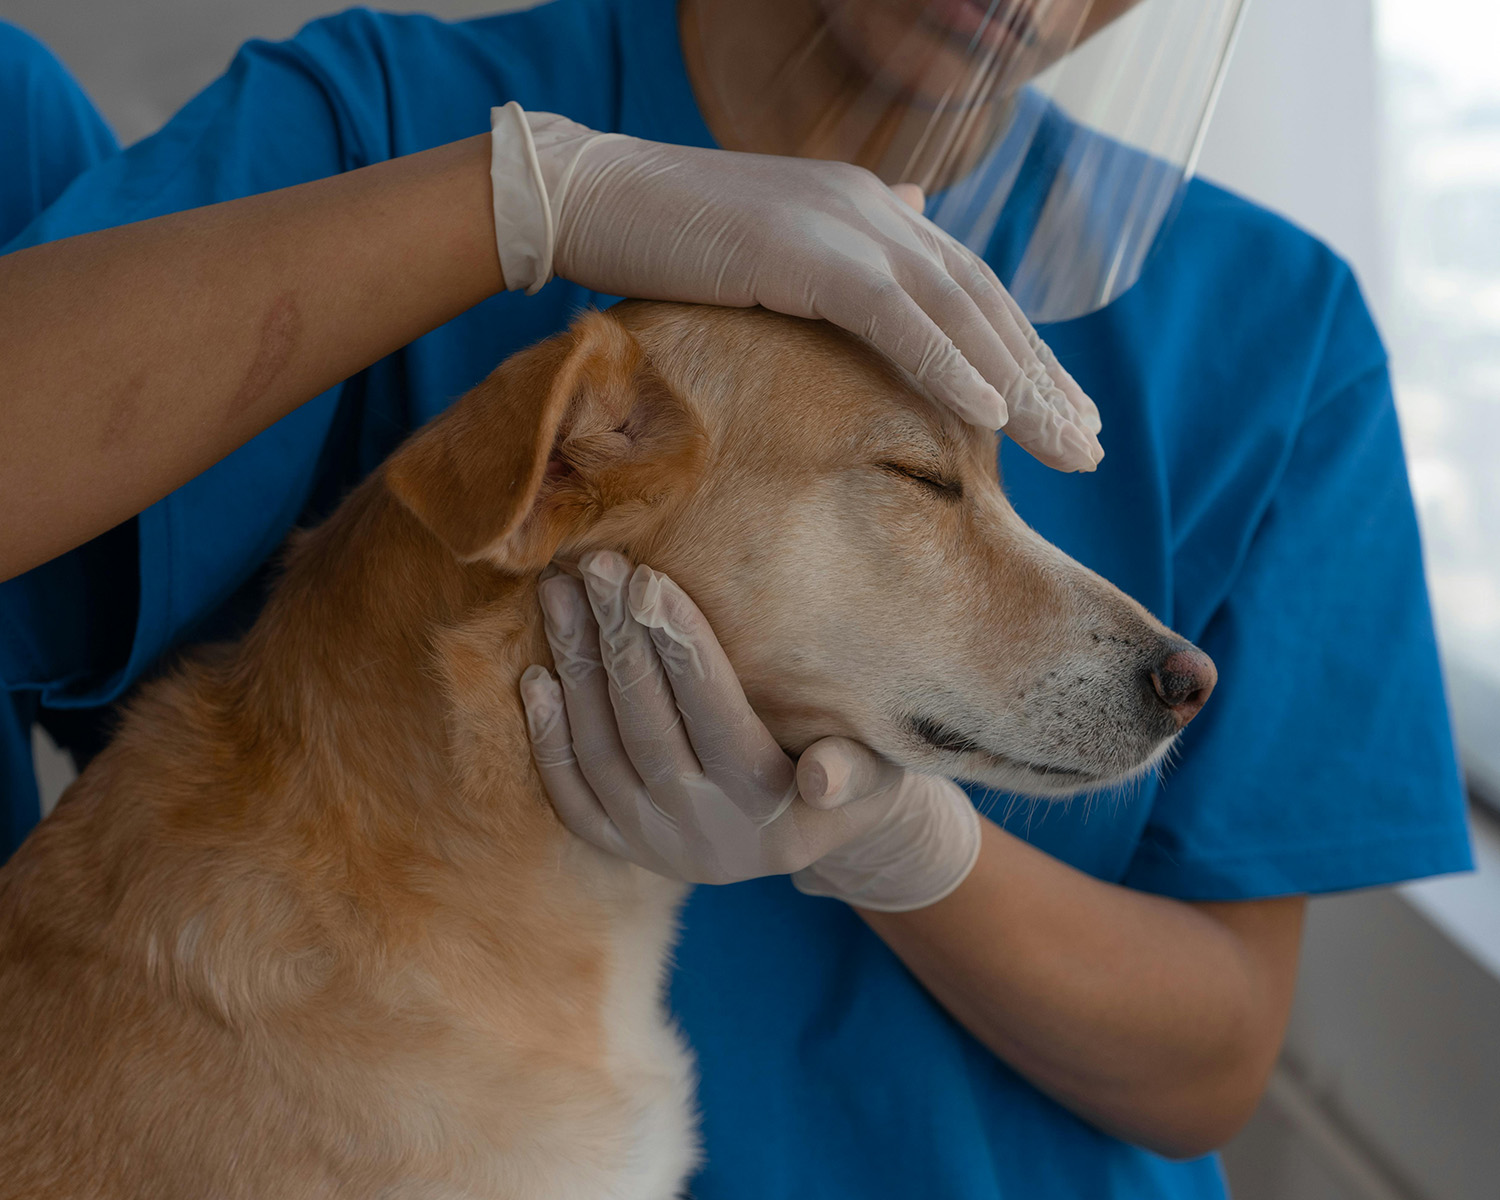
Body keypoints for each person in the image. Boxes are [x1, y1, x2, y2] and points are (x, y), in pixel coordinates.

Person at [0, 3, 1471, 1198]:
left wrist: (905, 851)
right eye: (916, 482)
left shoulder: (1268, 329)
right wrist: (522, 198)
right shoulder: (387, 125)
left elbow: (1210, 1066)